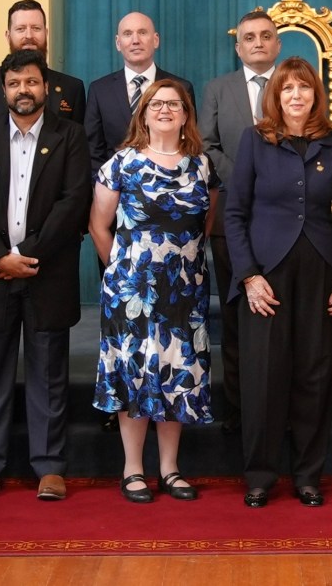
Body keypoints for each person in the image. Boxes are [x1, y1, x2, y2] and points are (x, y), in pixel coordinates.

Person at [0, 49, 91, 503]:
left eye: (31, 83)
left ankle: (49, 467)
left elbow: (73, 201)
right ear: (4, 90)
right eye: (15, 84)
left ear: (46, 87)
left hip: (46, 273)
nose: (23, 91)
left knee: (48, 375)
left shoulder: (69, 136)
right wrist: (0, 256)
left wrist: (28, 255)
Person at [225, 57, 332, 508]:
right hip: (266, 275)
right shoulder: (255, 141)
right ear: (274, 97)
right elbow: (234, 213)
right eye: (287, 89)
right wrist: (248, 275)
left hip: (321, 272)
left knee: (315, 376)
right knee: (262, 376)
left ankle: (307, 475)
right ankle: (260, 475)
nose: (296, 96)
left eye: (304, 88)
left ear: (316, 96)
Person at [89, 80, 218, 503]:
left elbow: (206, 226)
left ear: (185, 114)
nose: (164, 110)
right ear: (142, 114)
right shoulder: (121, 163)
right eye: (155, 104)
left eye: (174, 104)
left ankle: (170, 468)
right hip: (132, 291)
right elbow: (99, 226)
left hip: (185, 289)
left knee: (177, 373)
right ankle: (132, 468)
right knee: (136, 374)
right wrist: (123, 271)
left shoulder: (200, 165)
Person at [200, 10, 282, 436]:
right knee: (234, 318)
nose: (257, 43)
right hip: (230, 217)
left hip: (285, 223)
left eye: (265, 36)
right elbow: (206, 145)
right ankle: (236, 406)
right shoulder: (217, 89)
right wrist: (247, 177)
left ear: (277, 43)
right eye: (249, 37)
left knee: (277, 315)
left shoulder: (294, 87)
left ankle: (278, 405)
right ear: (238, 47)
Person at [85, 11, 196, 175]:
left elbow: (189, 142)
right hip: (115, 189)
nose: (135, 40)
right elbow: (93, 150)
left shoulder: (181, 88)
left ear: (156, 40)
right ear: (118, 43)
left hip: (169, 186)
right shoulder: (99, 90)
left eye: (142, 32)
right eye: (127, 34)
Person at [0, 0, 85, 136]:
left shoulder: (72, 87)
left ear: (46, 33)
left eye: (36, 28)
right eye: (21, 29)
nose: (29, 36)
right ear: (8, 36)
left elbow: (80, 145)